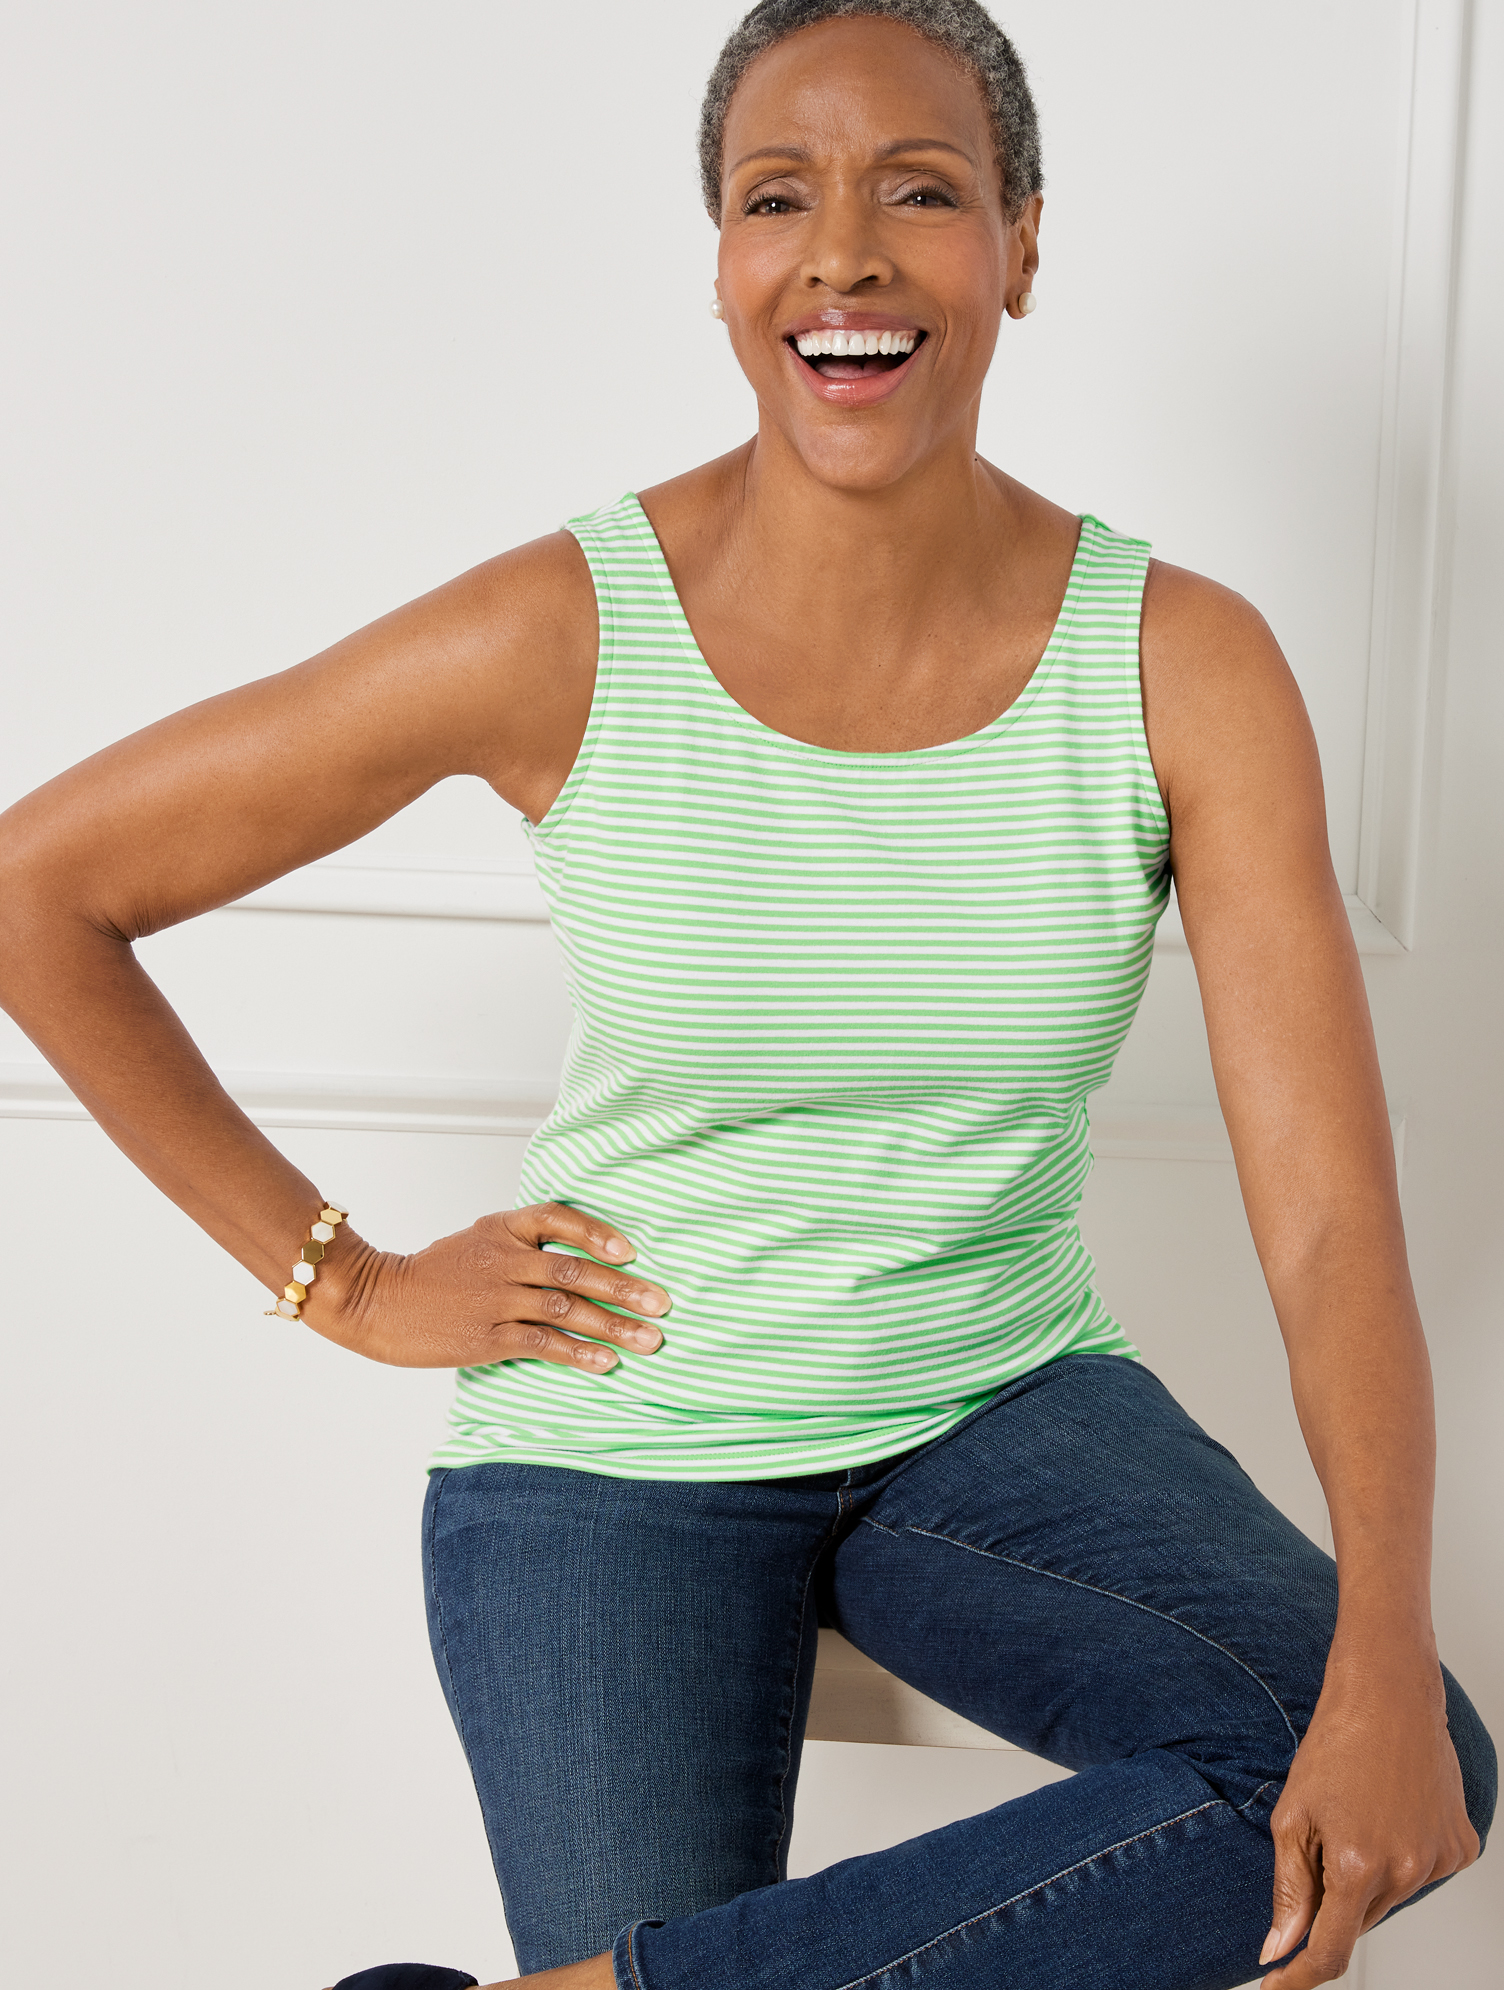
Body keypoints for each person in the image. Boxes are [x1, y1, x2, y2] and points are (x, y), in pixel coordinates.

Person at [0, 2, 1493, 1987]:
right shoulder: (563, 628)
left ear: (1021, 244)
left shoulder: (1177, 662)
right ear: (720, 261)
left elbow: (1324, 1222)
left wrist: (1382, 1647)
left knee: (1398, 1766)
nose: (843, 254)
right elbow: (40, 887)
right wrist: (342, 1280)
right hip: (615, 1443)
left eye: (921, 193)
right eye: (776, 198)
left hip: (997, 1400)